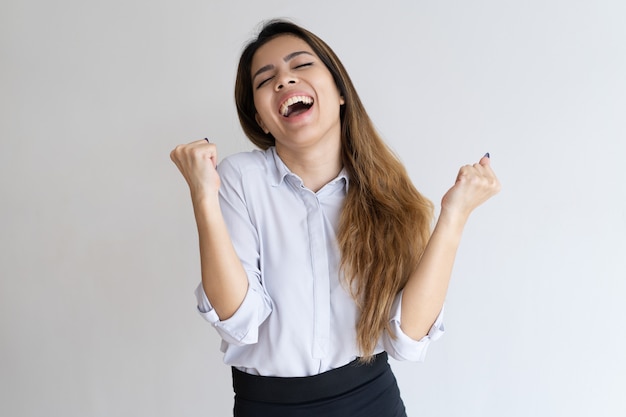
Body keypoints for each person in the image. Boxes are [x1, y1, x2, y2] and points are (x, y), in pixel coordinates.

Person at [170, 19, 501, 417]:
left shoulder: (388, 193)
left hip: (372, 402)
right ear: (260, 118)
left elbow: (408, 338)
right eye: (265, 79)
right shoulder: (240, 179)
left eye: (301, 65)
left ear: (340, 91)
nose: (283, 80)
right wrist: (203, 197)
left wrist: (454, 214)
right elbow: (238, 320)